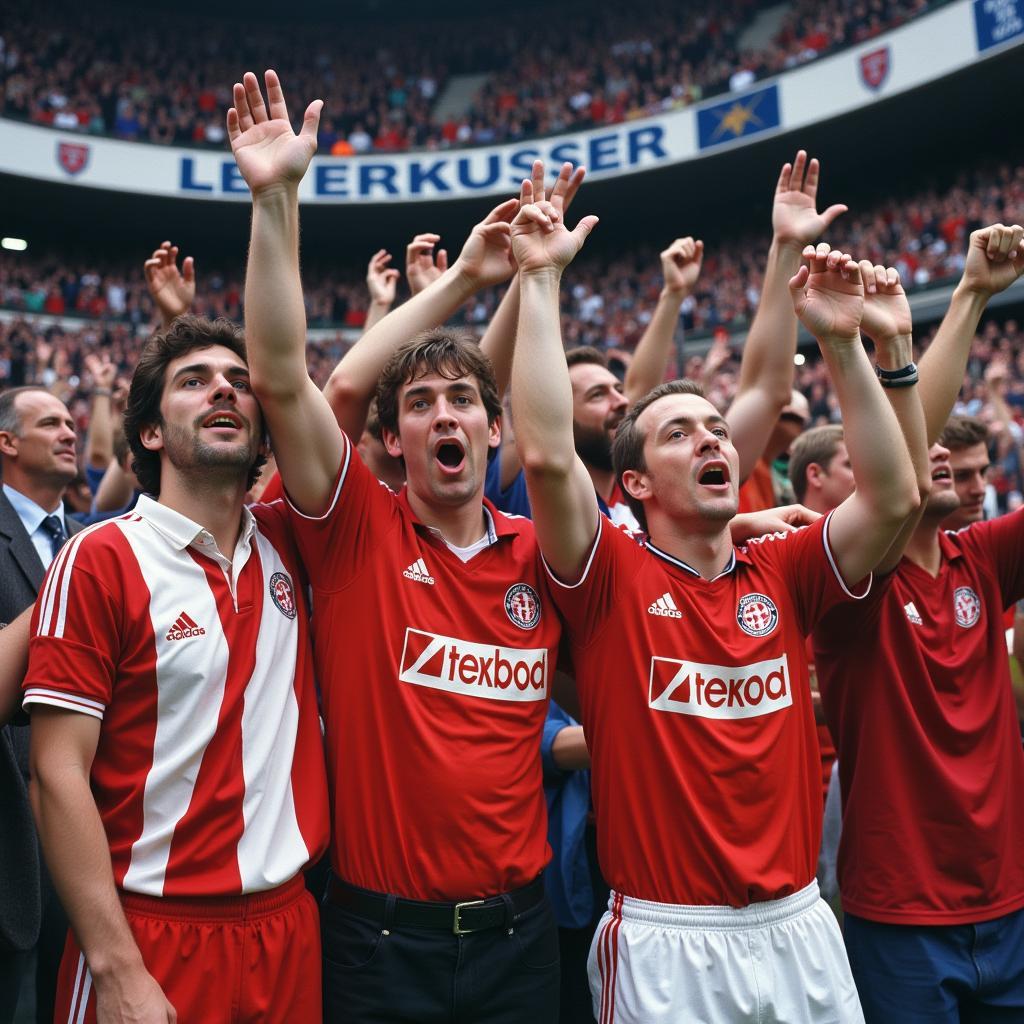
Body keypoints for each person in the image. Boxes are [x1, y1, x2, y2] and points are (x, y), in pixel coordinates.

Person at [509, 166, 919, 1022]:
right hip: (667, 939)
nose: (712, 440)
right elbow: (547, 453)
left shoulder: (785, 568)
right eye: (679, 431)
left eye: (716, 428)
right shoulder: (610, 575)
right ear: (632, 483)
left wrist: (847, 347)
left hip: (802, 923)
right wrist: (541, 280)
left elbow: (894, 500)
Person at [228, 69, 565, 1023]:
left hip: (520, 936)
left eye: (463, 401)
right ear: (392, 441)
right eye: (419, 405)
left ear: (493, 432)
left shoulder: (546, 553)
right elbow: (294, 385)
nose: (443, 415)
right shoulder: (354, 531)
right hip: (378, 945)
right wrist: (276, 199)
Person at [21, 316, 329, 1023]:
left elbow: (339, 395)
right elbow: (56, 771)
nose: (224, 388)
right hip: (149, 932)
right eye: (194, 381)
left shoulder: (293, 541)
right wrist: (115, 966)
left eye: (240, 383)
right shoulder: (100, 557)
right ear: (151, 434)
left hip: (288, 929)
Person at [814, 221, 1024, 1022]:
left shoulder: (986, 559)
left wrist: (973, 295)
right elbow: (897, 472)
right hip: (902, 914)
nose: (938, 461)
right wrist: (959, 300)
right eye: (928, 451)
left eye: (961, 464)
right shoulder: (845, 586)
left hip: (1008, 900)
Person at [0, 386, 82, 1024]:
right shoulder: (85, 558)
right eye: (50, 421)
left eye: (71, 420)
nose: (69, 431)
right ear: (7, 441)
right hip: (10, 833)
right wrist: (67, 583)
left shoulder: (86, 538)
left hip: (84, 834)